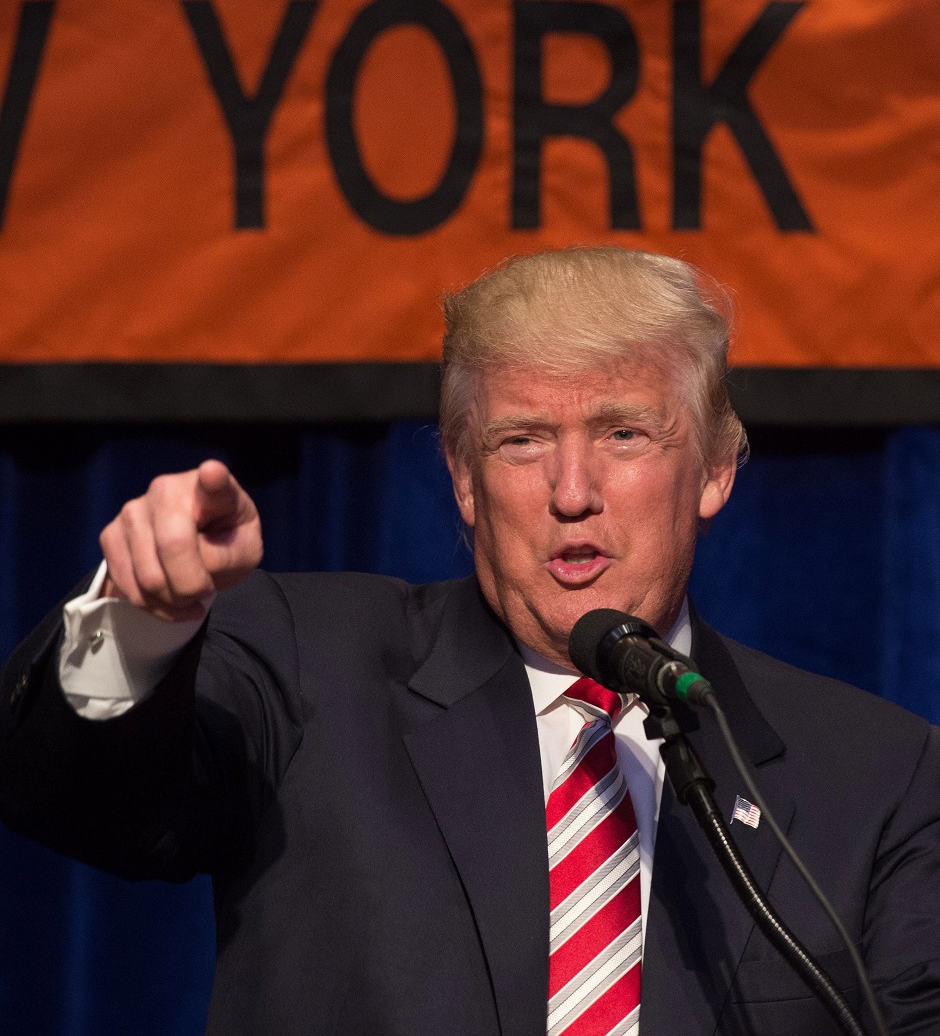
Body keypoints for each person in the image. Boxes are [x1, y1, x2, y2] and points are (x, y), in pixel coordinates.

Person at [0, 246, 938, 1036]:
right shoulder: (307, 666)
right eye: (522, 441)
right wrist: (140, 622)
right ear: (461, 479)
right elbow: (77, 797)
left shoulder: (880, 779)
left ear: (716, 470)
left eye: (623, 434)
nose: (573, 490)